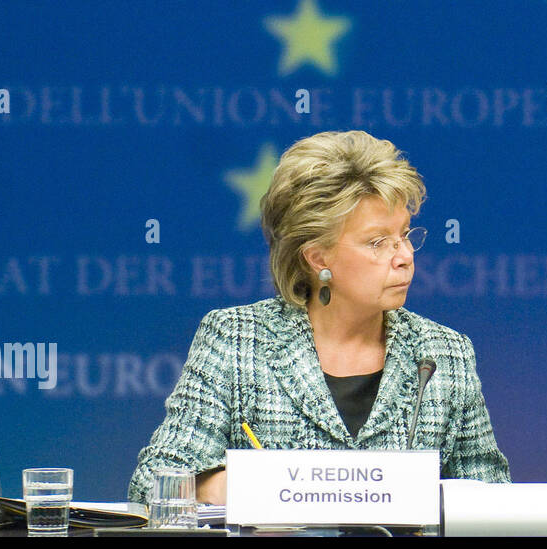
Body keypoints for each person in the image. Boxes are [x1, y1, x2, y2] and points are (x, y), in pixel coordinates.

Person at [129, 131, 509, 504]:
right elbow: (153, 482)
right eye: (378, 242)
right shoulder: (237, 340)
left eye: (405, 235)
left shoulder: (444, 353)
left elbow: (496, 500)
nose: (405, 255)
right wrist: (236, 487)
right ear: (317, 258)